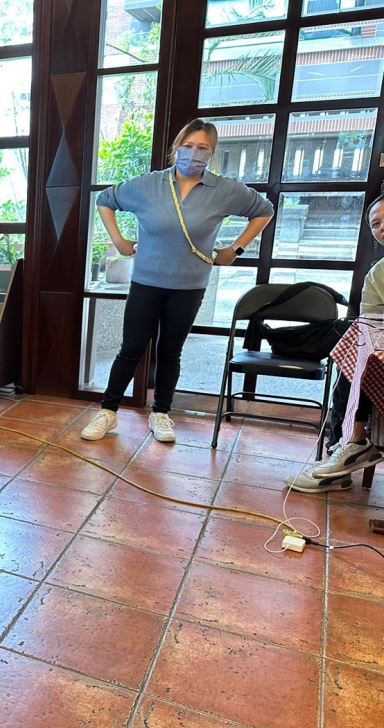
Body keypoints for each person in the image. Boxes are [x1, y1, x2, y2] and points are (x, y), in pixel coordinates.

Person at [82, 118, 275, 444]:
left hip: (189, 286)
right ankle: (108, 411)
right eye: (188, 146)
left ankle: (161, 413)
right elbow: (105, 200)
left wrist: (236, 249)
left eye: (202, 148)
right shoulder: (150, 184)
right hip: (146, 282)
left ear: (211, 153)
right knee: (131, 348)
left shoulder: (223, 190)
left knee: (170, 351)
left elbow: (264, 210)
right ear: (176, 148)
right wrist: (118, 241)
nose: (193, 153)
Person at [287, 193, 384, 492]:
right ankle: (346, 446)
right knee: (357, 343)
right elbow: (372, 323)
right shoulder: (378, 274)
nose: (382, 228)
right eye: (376, 224)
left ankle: (348, 447)